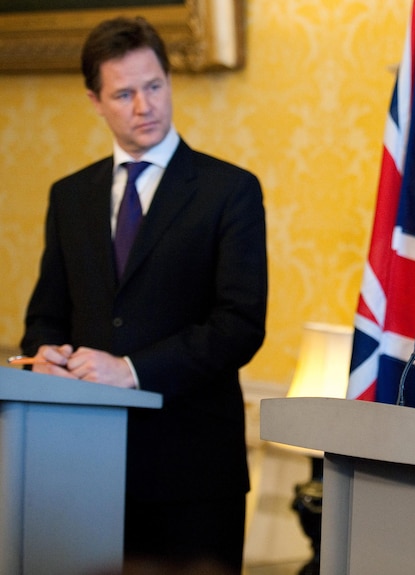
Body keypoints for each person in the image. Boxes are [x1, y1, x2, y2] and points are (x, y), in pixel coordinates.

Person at [19, 16, 267, 573]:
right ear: (95, 101)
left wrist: (130, 369)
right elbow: (46, 316)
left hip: (192, 473)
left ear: (168, 83)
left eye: (154, 86)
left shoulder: (229, 191)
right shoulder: (70, 196)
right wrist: (49, 357)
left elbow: (240, 325)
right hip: (80, 464)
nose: (143, 106)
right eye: (124, 94)